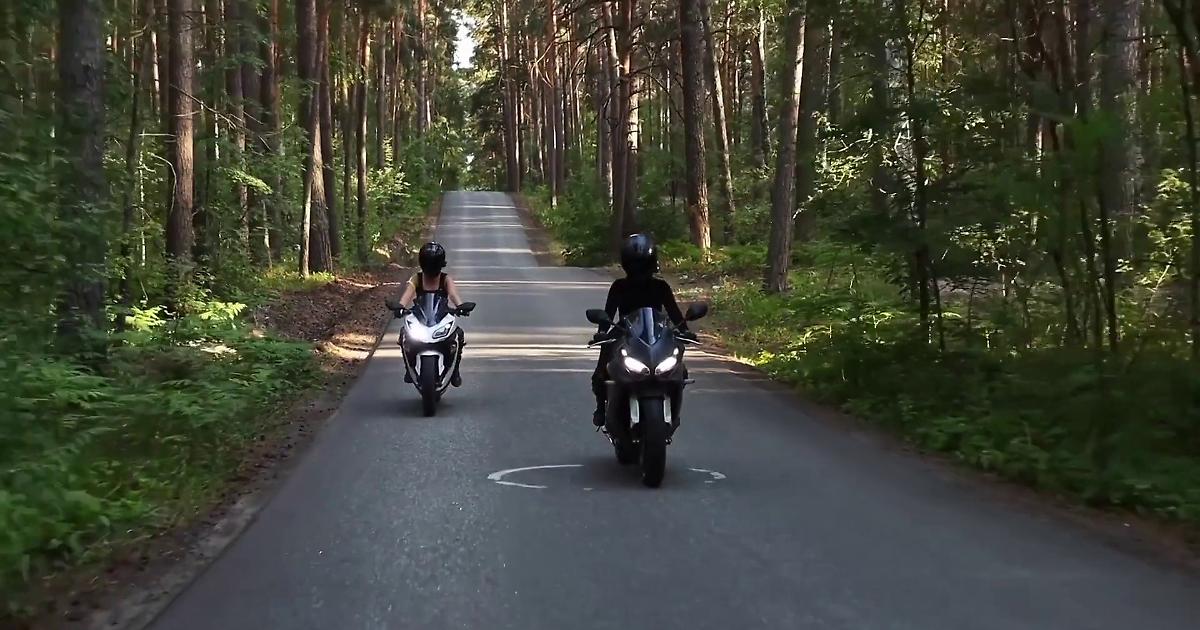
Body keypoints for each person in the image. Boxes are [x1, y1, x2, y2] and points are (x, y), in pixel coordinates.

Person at [591, 233, 696, 429]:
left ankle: (674, 408)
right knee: (602, 367)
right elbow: (608, 313)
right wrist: (602, 333)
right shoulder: (619, 286)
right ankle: (601, 408)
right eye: (634, 264)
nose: (639, 270)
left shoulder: (661, 287)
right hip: (625, 332)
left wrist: (684, 330)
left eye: (642, 264)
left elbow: (674, 313)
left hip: (657, 333)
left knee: (679, 368)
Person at [396, 241, 467, 386]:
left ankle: (455, 371)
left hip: (441, 316)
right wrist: (400, 307)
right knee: (404, 334)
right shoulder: (416, 278)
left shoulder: (445, 279)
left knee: (458, 335)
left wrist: (460, 306)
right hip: (420, 316)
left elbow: (453, 294)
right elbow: (407, 294)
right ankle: (409, 368)